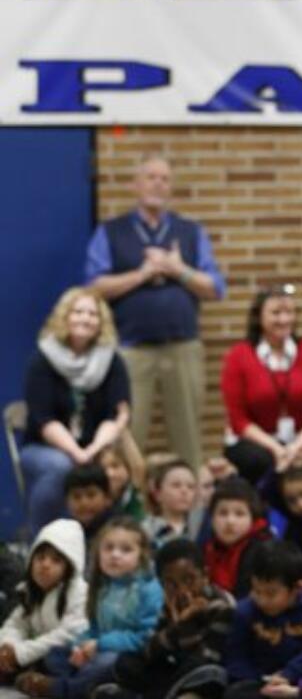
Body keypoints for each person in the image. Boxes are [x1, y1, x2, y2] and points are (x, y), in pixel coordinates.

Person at [86, 155, 225, 471]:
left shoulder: (190, 232)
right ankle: (129, 510)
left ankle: (189, 513)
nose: (157, 184)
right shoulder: (111, 232)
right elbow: (94, 287)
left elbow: (215, 288)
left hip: (183, 347)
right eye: (150, 177)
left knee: (188, 435)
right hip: (131, 349)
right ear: (135, 185)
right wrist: (142, 273)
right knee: (130, 434)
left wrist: (178, 270)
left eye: (164, 178)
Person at [21, 287, 132, 533]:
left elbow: (117, 414)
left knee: (116, 470)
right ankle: (42, 540)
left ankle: (104, 542)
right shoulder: (43, 359)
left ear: (101, 322)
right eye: (78, 311)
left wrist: (92, 449)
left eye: (93, 314)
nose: (85, 318)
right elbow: (44, 420)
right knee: (61, 467)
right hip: (44, 447)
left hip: (97, 446)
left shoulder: (112, 361)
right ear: (65, 317)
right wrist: (77, 454)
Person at [22, 517, 163, 699]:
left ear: (141, 554)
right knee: (55, 655)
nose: (115, 555)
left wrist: (100, 644)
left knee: (105, 663)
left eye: (126, 550)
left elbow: (145, 637)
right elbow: (94, 627)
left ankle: (63, 689)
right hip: (98, 649)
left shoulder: (149, 588)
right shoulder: (101, 586)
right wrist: (80, 646)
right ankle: (85, 686)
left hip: (129, 657)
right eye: (108, 548)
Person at [221, 286, 302, 485]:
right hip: (256, 442)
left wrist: (295, 446)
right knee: (262, 461)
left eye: (289, 312)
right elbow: (238, 420)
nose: (284, 320)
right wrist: (277, 449)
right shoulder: (239, 356)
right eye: (276, 313)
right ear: (259, 317)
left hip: (301, 439)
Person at [102, 537, 236, 699]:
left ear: (205, 576)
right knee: (126, 662)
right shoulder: (170, 603)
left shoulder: (222, 606)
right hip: (176, 672)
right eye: (171, 584)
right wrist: (176, 627)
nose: (182, 590)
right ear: (161, 585)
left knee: (208, 674)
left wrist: (187, 623)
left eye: (189, 579)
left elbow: (207, 658)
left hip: (203, 674)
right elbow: (149, 652)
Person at [223, 541, 302, 699]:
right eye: (257, 591)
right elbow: (236, 658)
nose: (262, 600)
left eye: (271, 594)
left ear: (297, 589)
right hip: (261, 683)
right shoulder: (245, 610)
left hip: (301, 681)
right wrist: (260, 681)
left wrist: (290, 673)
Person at [0, 520, 87, 681]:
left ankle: (45, 681)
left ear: (70, 567)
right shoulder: (30, 592)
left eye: (56, 560)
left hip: (71, 654)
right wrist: (8, 646)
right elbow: (16, 624)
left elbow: (67, 635)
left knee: (55, 658)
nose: (45, 565)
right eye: (40, 557)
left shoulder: (80, 593)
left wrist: (20, 653)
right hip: (38, 652)